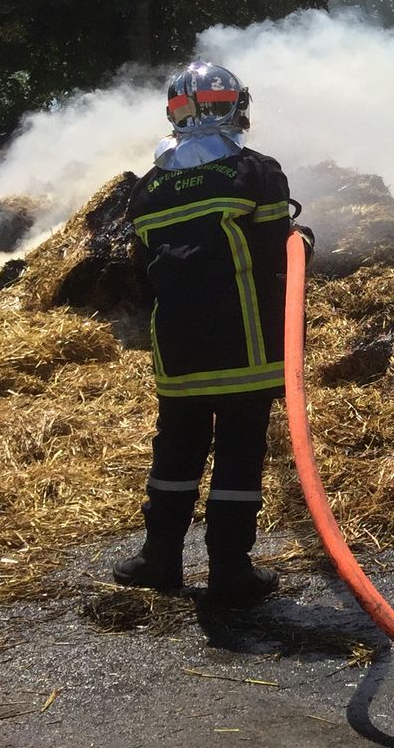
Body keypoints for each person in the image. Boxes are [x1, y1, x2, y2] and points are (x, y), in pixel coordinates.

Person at [112, 62, 308, 606]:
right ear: (235, 106)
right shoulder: (256, 173)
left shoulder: (149, 189)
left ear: (174, 115)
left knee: (175, 450)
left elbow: (144, 270)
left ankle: (159, 558)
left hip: (178, 349)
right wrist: (304, 243)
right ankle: (229, 568)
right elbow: (276, 252)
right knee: (239, 456)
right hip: (246, 344)